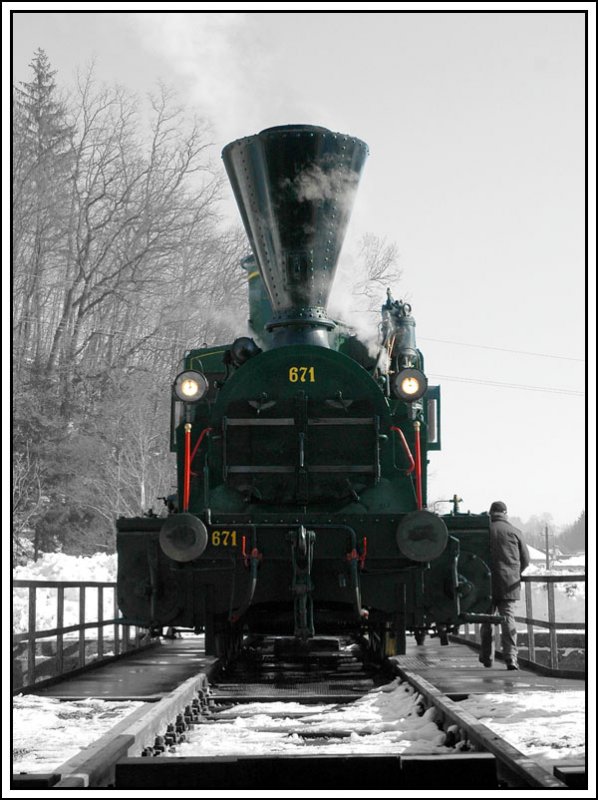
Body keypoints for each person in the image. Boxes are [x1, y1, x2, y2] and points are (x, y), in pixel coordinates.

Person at [479, 501, 530, 670]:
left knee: (486, 619)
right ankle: (511, 658)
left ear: (490, 513)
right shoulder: (515, 532)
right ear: (505, 513)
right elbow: (526, 560)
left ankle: (487, 657)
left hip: (485, 583)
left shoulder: (484, 531)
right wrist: (514, 572)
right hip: (508, 584)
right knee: (508, 619)